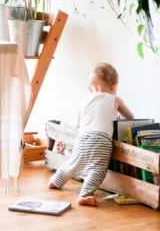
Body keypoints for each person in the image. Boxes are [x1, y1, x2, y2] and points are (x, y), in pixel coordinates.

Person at [48, 62, 134, 206]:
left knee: (74, 164)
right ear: (114, 86)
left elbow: (78, 125)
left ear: (90, 88)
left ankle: (55, 181)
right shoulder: (115, 99)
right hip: (101, 140)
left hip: (82, 138)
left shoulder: (84, 101)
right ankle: (85, 194)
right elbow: (130, 118)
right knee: (98, 170)